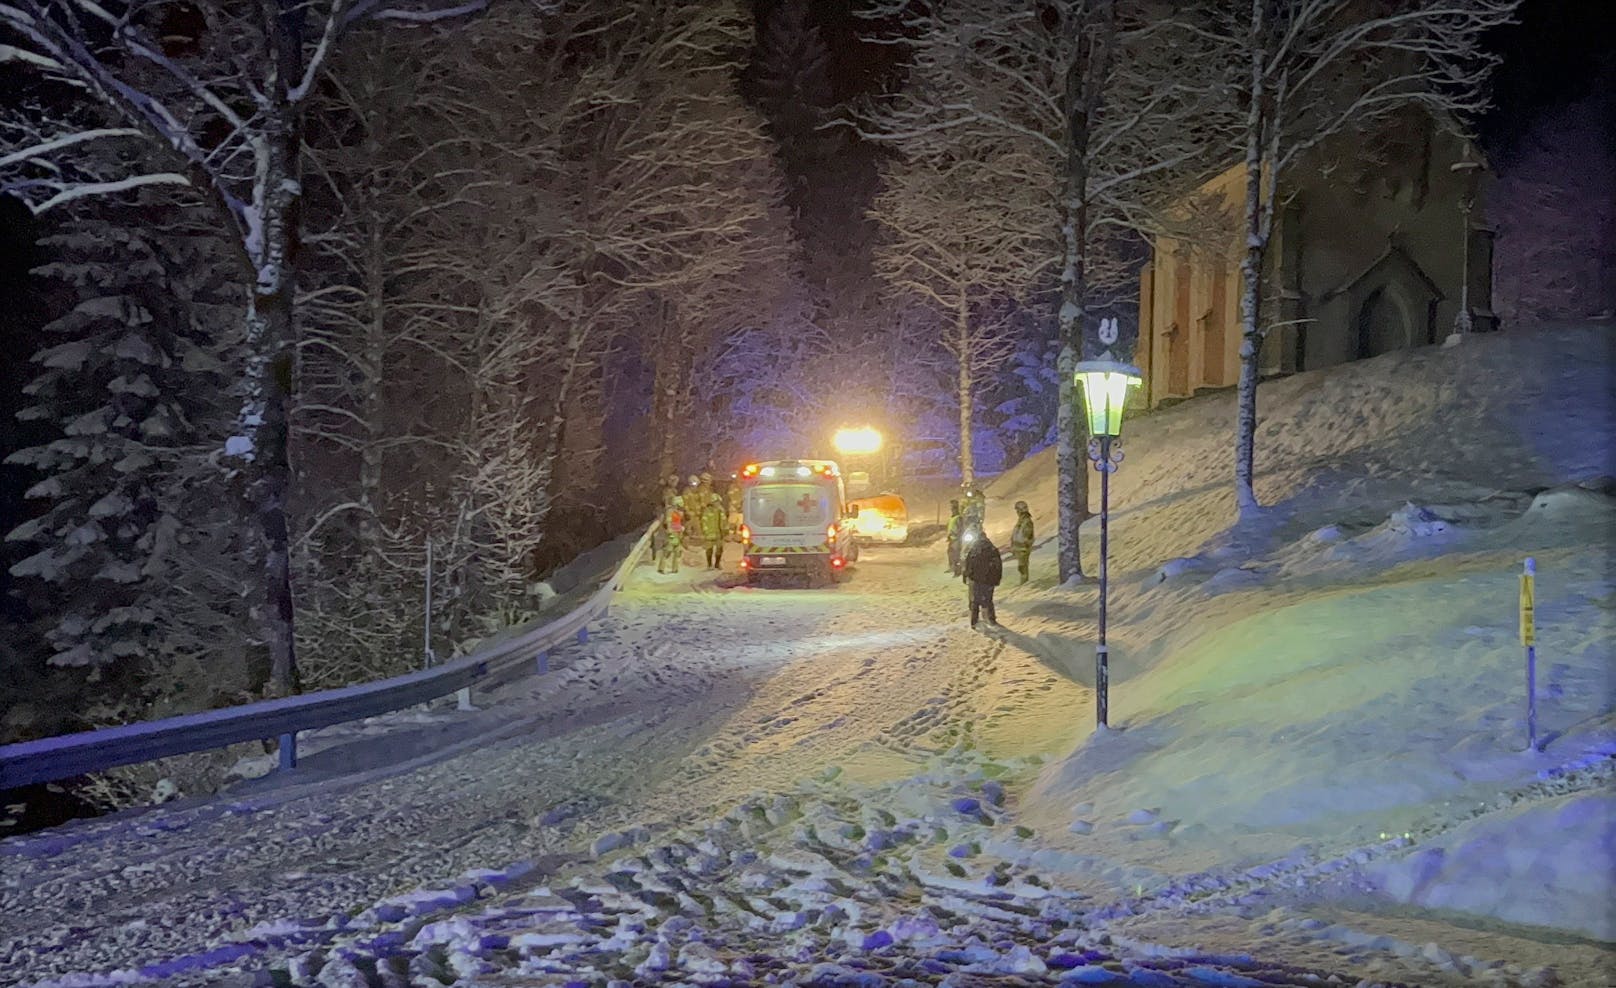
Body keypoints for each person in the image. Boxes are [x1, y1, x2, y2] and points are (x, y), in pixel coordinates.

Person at [960, 525, 1002, 628]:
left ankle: (975, 621)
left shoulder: (975, 549)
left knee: (975, 601)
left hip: (977, 579)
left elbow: (969, 563)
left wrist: (966, 575)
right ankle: (991, 620)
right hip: (988, 580)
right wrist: (996, 579)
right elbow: (998, 566)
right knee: (988, 600)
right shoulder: (991, 549)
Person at [659, 496, 686, 574]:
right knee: (668, 550)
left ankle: (675, 569)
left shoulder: (677, 512)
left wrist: (680, 530)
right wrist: (672, 534)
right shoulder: (670, 512)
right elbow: (670, 524)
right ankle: (661, 568)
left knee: (677, 551)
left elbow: (677, 523)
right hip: (672, 534)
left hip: (677, 534)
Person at [1010, 500, 1034, 585]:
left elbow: (1026, 536)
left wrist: (1024, 546)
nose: (1017, 512)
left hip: (1023, 549)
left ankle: (1024, 584)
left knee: (1023, 567)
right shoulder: (1021, 520)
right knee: (1021, 568)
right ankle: (1023, 583)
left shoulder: (1026, 521)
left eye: (1017, 510)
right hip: (1020, 549)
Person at [700, 492, 727, 569]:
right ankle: (709, 565)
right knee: (709, 549)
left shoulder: (720, 510)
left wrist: (725, 531)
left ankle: (717, 564)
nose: (718, 503)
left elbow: (724, 521)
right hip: (709, 534)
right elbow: (703, 522)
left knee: (719, 549)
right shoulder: (707, 511)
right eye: (717, 502)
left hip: (719, 534)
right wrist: (706, 532)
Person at [945, 499, 962, 575]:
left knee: (956, 555)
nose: (952, 510)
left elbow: (960, 528)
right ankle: (952, 567)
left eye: (953, 509)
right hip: (951, 538)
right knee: (950, 553)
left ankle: (957, 570)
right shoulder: (952, 518)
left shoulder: (958, 518)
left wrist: (957, 535)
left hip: (956, 539)